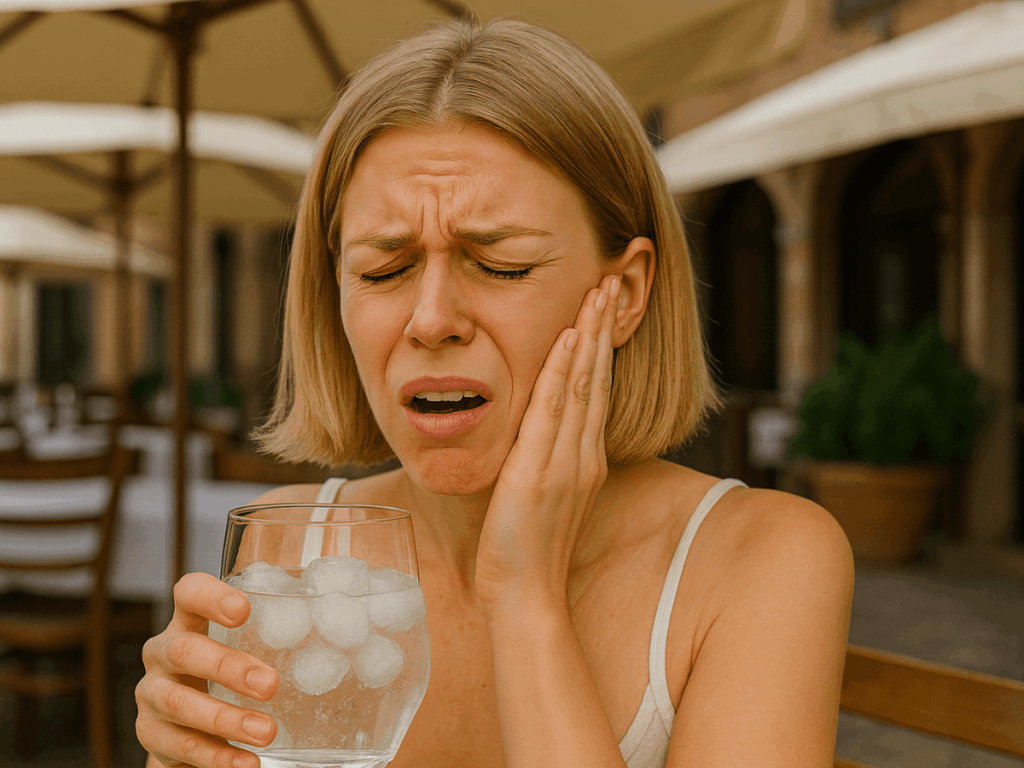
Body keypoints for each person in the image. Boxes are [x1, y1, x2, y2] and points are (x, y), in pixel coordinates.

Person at [135, 17, 854, 768]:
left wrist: (525, 596)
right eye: (382, 270)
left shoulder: (763, 557)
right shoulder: (289, 561)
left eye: (502, 265)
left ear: (628, 293)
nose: (432, 319)